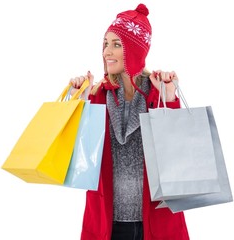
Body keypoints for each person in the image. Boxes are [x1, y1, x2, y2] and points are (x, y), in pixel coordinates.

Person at [69, 3, 190, 240]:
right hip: (107, 224)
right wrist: (79, 102)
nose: (106, 52)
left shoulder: (157, 93)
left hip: (156, 222)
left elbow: (178, 153)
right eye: (105, 44)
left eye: (116, 45)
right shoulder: (97, 95)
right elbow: (80, 156)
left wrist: (169, 98)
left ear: (134, 50)